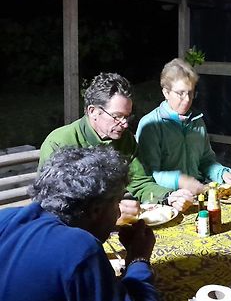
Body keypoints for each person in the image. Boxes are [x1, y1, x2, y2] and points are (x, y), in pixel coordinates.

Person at [0, 146, 162, 301]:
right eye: (116, 204)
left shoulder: (6, 217)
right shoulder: (78, 248)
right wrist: (138, 260)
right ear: (96, 210)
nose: (118, 214)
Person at [39, 72, 193, 219]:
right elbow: (51, 203)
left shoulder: (125, 140)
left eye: (127, 116)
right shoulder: (59, 143)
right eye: (117, 116)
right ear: (93, 111)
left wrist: (168, 196)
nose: (124, 124)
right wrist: (109, 212)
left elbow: (139, 183)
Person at [136, 58, 231, 195]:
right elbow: (149, 174)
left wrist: (221, 173)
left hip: (198, 192)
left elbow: (206, 161)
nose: (187, 100)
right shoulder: (151, 125)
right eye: (180, 93)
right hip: (166, 197)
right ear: (166, 93)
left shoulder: (197, 121)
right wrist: (179, 180)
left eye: (190, 93)